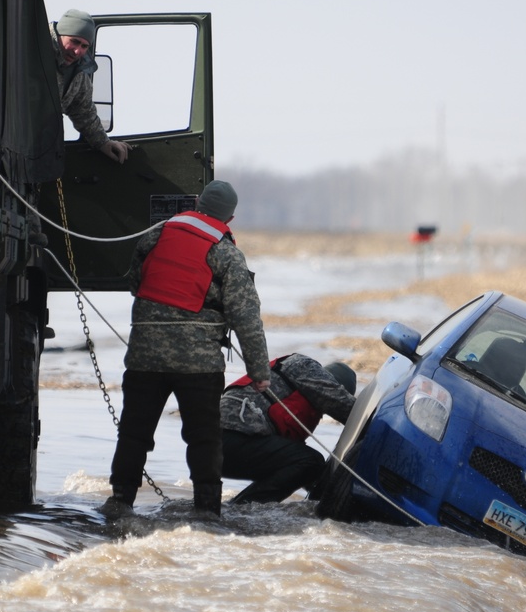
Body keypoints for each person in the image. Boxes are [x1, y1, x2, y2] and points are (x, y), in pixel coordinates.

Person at [101, 180, 271, 518]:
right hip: (199, 366)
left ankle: (120, 501)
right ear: (230, 218)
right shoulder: (227, 254)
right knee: (204, 437)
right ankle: (207, 509)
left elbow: (134, 281)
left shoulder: (155, 235)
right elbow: (246, 318)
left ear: (196, 202)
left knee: (135, 433)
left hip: (144, 359)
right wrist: (259, 372)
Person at [220, 354, 357, 504]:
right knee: (311, 461)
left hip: (208, 445)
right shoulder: (305, 366)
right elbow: (347, 408)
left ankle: (233, 508)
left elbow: (295, 466)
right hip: (229, 438)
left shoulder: (289, 387)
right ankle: (242, 508)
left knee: (307, 463)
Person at [50, 9, 130, 163]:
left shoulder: (79, 72)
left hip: (42, 152)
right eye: (74, 41)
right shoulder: (31, 52)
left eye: (84, 46)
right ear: (60, 34)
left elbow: (82, 109)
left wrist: (103, 142)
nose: (77, 50)